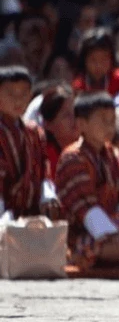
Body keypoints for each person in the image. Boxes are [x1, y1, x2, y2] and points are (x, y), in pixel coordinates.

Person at [55, 93, 119, 269]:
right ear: (82, 124)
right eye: (103, 120)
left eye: (112, 120)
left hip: (112, 225)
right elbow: (86, 209)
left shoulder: (112, 154)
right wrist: (112, 235)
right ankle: (81, 255)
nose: (109, 126)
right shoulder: (73, 158)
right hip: (78, 233)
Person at [0, 66, 57, 218]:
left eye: (24, 93)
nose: (18, 99)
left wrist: (47, 194)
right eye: (10, 93)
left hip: (30, 213)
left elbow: (43, 167)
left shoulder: (34, 132)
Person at [73, 28, 119, 98]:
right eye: (93, 60)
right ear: (84, 60)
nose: (98, 65)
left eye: (104, 59)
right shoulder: (78, 86)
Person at [36, 83, 76, 178]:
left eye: (76, 112)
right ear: (48, 124)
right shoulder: (41, 158)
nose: (74, 119)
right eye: (66, 115)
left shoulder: (92, 147)